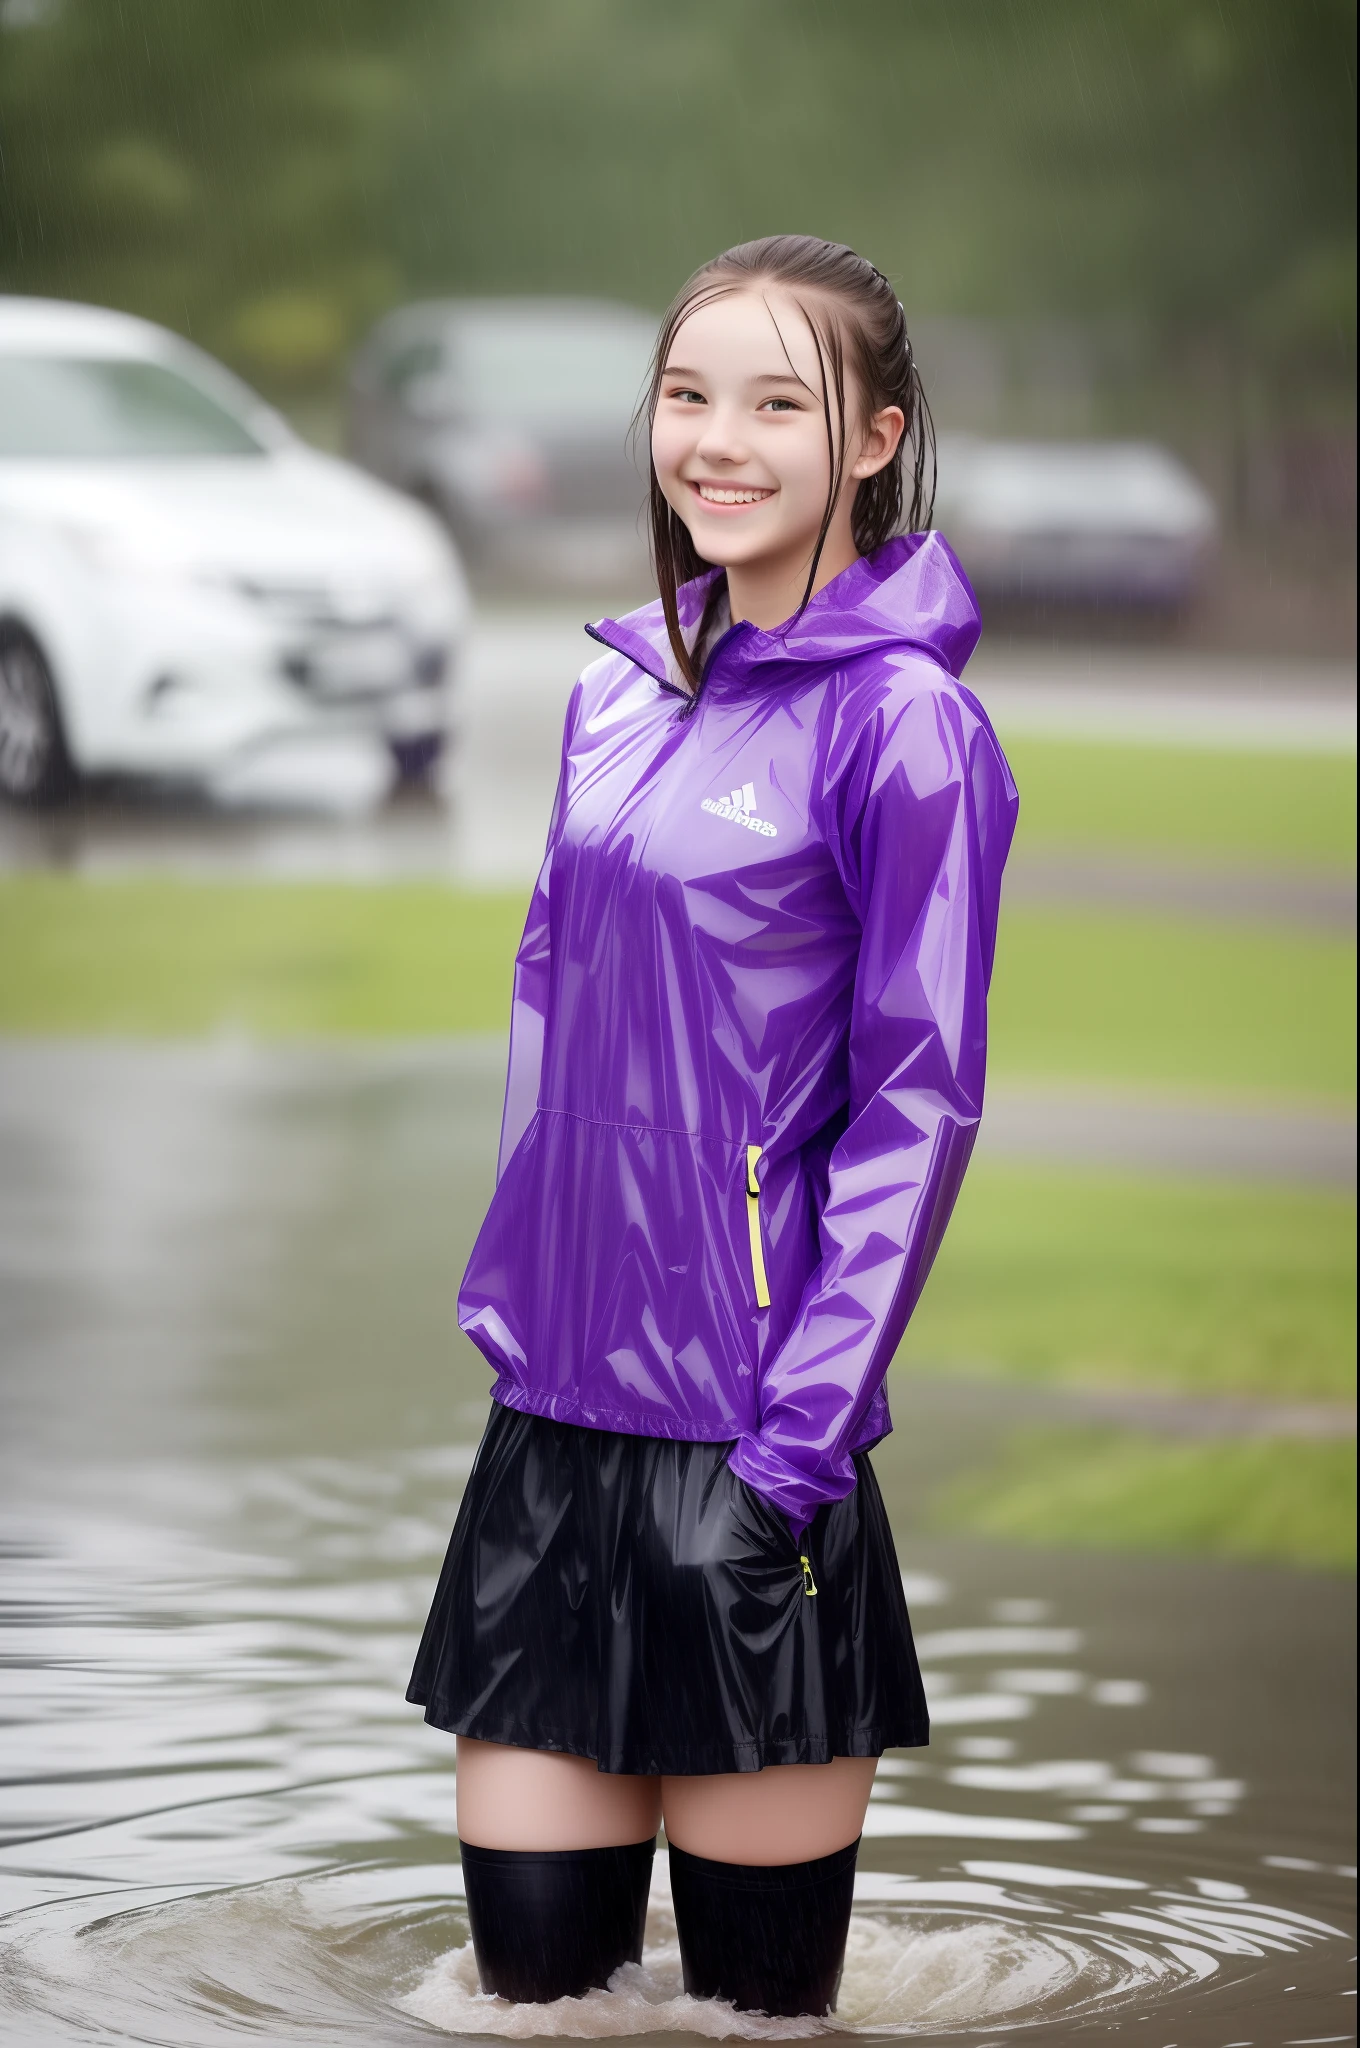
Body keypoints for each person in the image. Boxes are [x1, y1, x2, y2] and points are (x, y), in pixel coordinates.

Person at [408, 234, 1018, 2017]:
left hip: (761, 1454)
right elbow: (550, 1003)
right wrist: (516, 1320)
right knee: (534, 2009)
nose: (718, 439)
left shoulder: (911, 732)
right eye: (687, 395)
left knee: (756, 2026)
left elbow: (923, 1098)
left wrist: (795, 1453)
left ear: (879, 437)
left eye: (776, 400)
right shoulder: (616, 693)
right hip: (553, 1443)